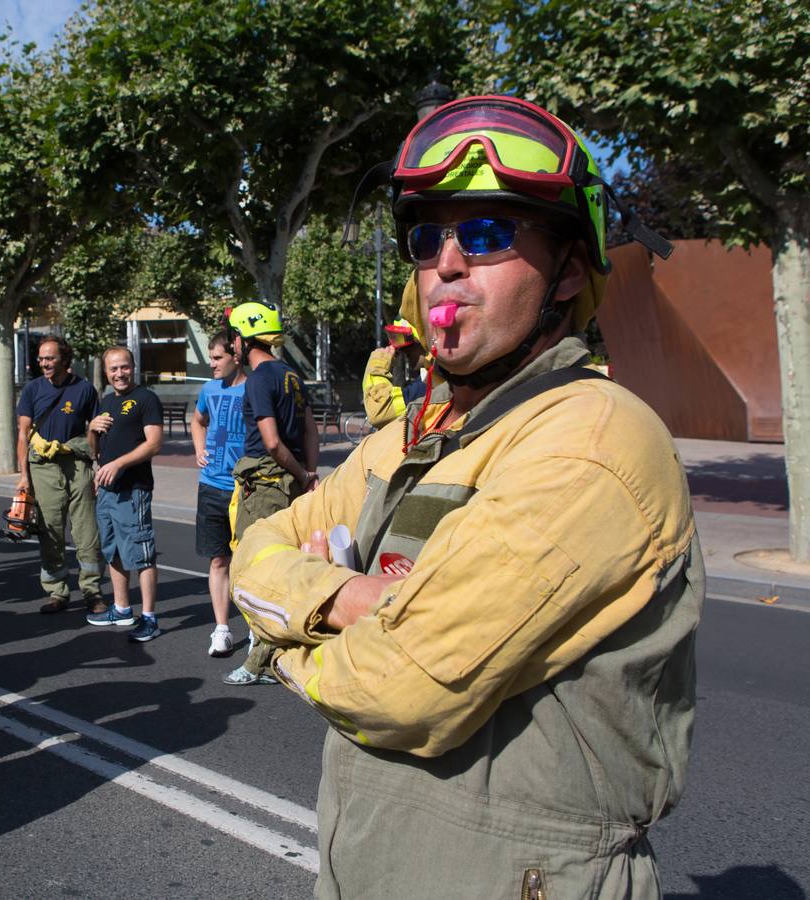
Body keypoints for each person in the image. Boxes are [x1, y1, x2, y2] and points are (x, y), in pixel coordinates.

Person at [230, 95, 694, 898]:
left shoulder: (590, 440)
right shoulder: (403, 440)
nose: (446, 263)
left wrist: (282, 635)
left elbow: (399, 688)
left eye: (486, 232)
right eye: (427, 235)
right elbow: (252, 551)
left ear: (571, 270)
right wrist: (349, 598)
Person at [223, 300, 318, 686]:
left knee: (256, 571)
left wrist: (297, 471)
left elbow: (272, 443)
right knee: (282, 568)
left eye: (233, 339)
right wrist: (309, 476)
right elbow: (310, 430)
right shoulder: (291, 375)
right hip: (289, 483)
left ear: (246, 339)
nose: (230, 347)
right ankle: (272, 652)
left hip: (265, 486)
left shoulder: (260, 379)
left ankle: (261, 661)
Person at [15, 337, 104, 614]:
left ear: (65, 359)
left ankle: (92, 591)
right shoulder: (32, 390)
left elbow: (94, 429)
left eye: (50, 358)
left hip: (77, 465)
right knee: (50, 530)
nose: (44, 364)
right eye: (41, 359)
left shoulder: (85, 389)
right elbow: (23, 434)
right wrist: (24, 477)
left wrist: (97, 465)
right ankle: (56, 592)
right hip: (43, 467)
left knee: (87, 531)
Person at [85, 347, 164, 641]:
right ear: (106, 372)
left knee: (141, 553)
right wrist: (91, 429)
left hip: (134, 489)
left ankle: (150, 618)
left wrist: (119, 464)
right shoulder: (106, 402)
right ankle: (120, 609)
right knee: (113, 550)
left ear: (134, 366)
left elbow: (155, 443)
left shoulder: (146, 399)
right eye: (113, 369)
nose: (120, 374)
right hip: (107, 490)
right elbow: (96, 452)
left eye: (124, 367)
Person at [190, 331, 248, 657]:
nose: (211, 364)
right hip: (211, 485)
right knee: (218, 559)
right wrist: (199, 449)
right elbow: (198, 421)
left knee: (249, 561)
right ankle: (222, 629)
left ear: (235, 357)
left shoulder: (254, 388)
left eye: (217, 358)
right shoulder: (209, 389)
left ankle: (257, 630)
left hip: (245, 489)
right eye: (210, 358)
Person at [361, 318, 428, 428]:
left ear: (424, 341)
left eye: (407, 342)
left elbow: (380, 411)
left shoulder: (432, 381)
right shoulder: (427, 377)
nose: (401, 350)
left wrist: (378, 363)